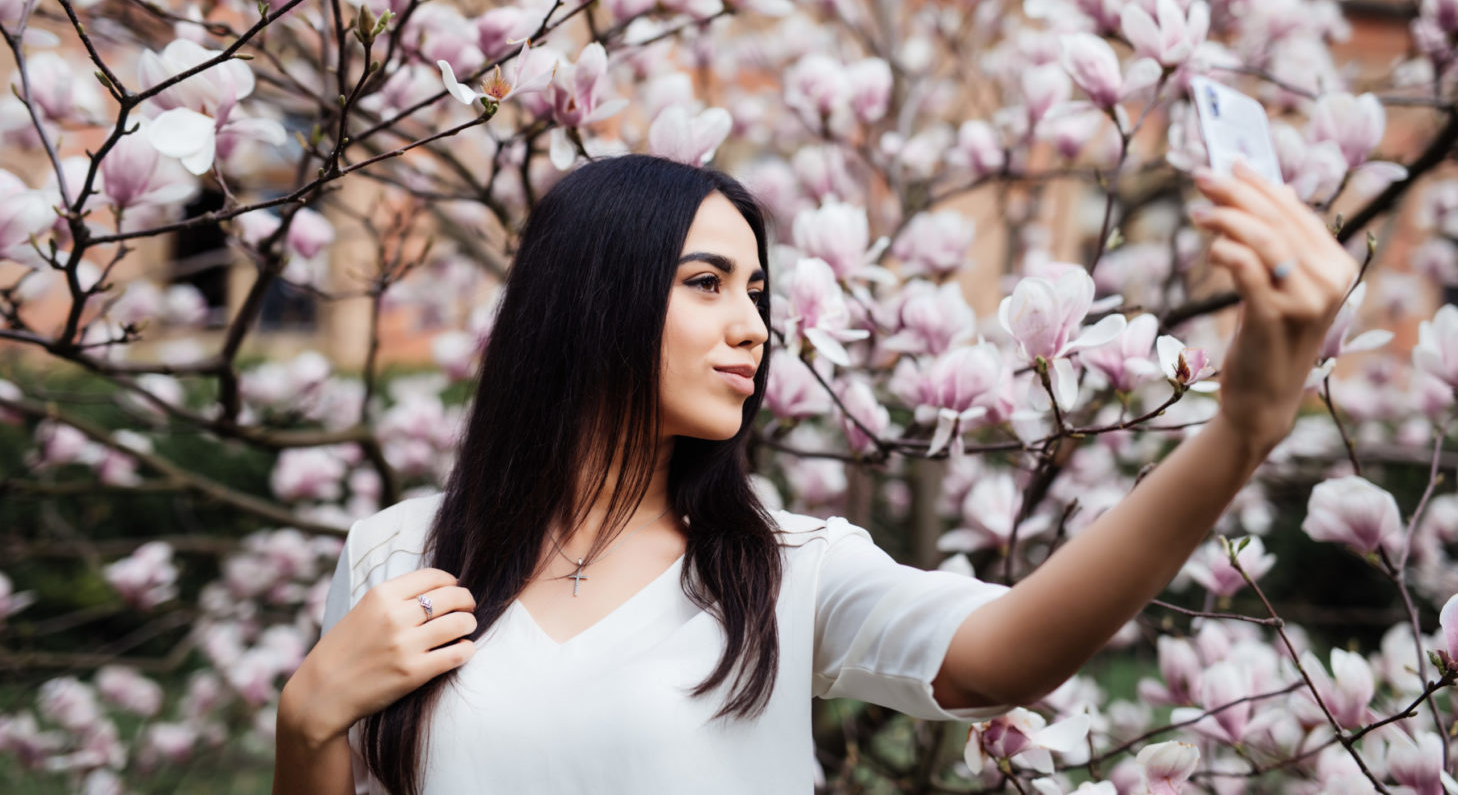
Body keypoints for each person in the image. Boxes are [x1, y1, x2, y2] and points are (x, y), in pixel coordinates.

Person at [272, 153, 1358, 795]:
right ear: (589, 298)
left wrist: (1239, 432)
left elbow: (1008, 657)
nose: (752, 326)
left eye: (757, 290)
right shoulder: (402, 556)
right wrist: (307, 717)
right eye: (707, 283)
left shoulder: (783, 569)